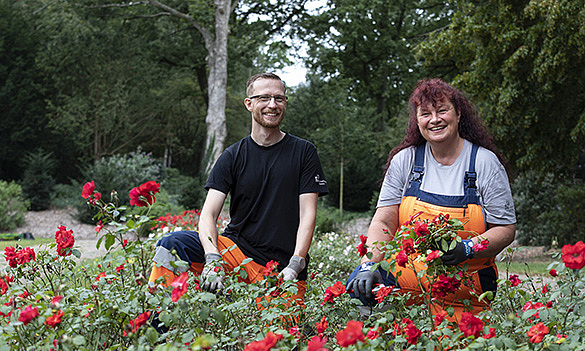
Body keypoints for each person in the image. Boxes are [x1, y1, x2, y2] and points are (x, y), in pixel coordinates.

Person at [148, 72, 328, 305]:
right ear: (249, 103)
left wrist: (296, 263)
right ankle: (156, 327)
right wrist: (212, 258)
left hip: (284, 269)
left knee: (277, 339)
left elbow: (308, 215)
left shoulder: (304, 152)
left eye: (279, 99)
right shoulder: (232, 155)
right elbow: (208, 215)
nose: (272, 105)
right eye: (264, 98)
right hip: (236, 254)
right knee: (173, 244)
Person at [346, 78, 516, 320]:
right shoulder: (405, 161)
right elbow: (384, 221)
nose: (434, 119)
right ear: (417, 121)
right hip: (409, 275)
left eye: (442, 110)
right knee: (358, 285)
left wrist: (466, 248)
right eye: (425, 113)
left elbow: (505, 228)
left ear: (458, 114)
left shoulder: (484, 163)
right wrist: (368, 265)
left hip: (465, 283)